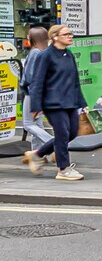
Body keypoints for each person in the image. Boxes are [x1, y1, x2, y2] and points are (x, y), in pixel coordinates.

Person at [20, 24, 85, 181]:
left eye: (71, 34)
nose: (70, 36)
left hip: (70, 101)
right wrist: (36, 105)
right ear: (55, 37)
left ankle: (37, 154)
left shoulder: (68, 55)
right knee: (62, 133)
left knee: (72, 133)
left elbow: (75, 81)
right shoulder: (46, 56)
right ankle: (63, 169)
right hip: (53, 102)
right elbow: (37, 81)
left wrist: (82, 103)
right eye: (66, 34)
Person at [19, 26, 50, 172]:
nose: (26, 38)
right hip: (43, 92)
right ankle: (38, 153)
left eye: (28, 35)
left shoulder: (34, 53)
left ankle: (52, 143)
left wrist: (30, 92)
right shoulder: (46, 53)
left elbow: (30, 77)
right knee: (37, 124)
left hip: (33, 93)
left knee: (27, 123)